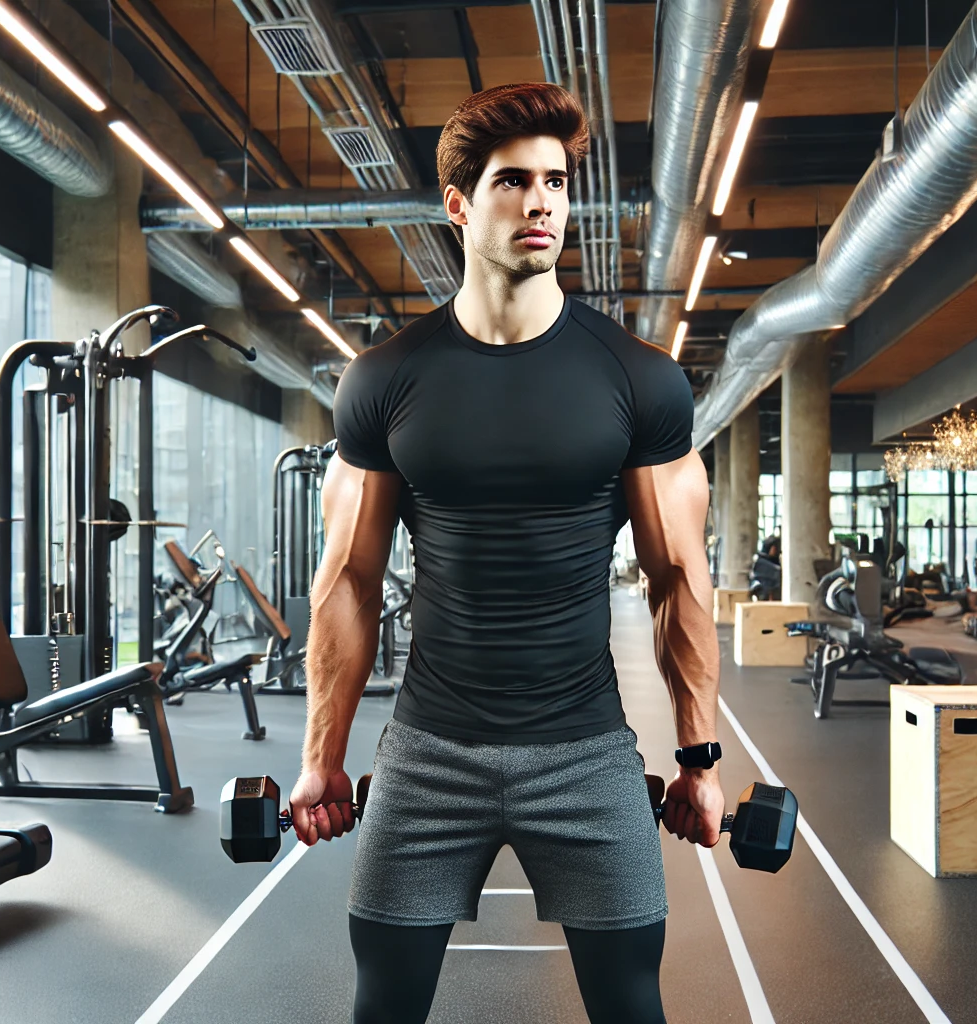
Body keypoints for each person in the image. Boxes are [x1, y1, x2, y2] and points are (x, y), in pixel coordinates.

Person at [288, 83, 720, 1024]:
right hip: (429, 750)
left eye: (557, 182)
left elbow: (676, 578)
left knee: (633, 1008)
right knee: (383, 1006)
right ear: (458, 205)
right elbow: (350, 582)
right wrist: (322, 758)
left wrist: (699, 757)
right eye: (514, 182)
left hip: (588, 753)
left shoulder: (638, 379)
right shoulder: (386, 380)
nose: (542, 203)